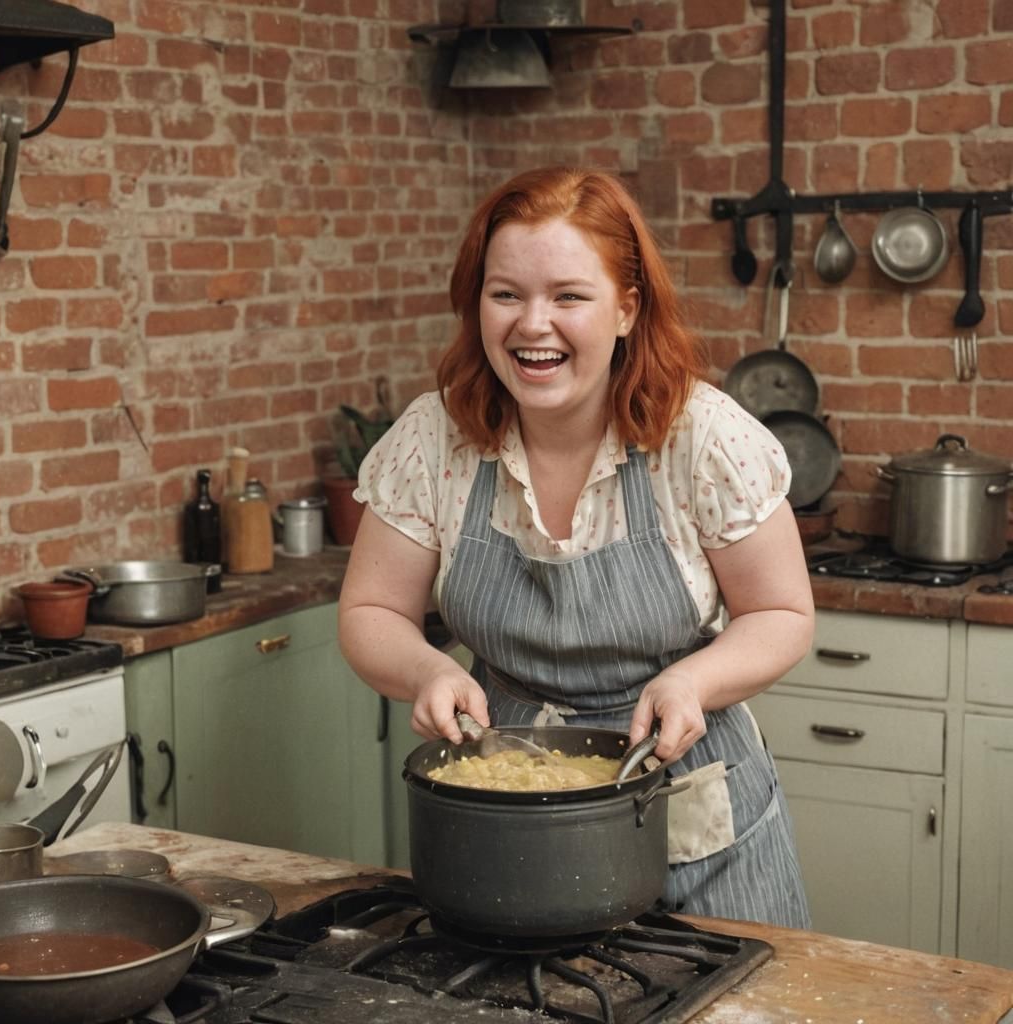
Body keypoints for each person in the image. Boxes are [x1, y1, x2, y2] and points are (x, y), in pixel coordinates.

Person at [338, 166, 815, 929]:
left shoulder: (703, 437)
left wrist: (694, 680)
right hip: (512, 813)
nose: (533, 324)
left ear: (626, 309)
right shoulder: (435, 438)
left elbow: (784, 612)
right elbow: (370, 610)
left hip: (690, 807)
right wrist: (426, 669)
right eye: (506, 295)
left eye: (568, 296)